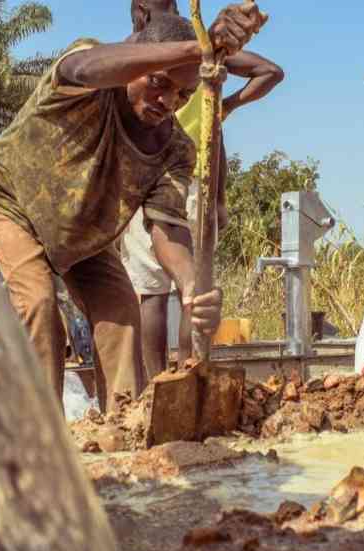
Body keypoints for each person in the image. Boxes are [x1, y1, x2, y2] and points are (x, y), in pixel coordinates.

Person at [0, 4, 267, 412]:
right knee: (38, 305)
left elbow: (168, 229)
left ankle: (122, 430)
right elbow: (84, 67)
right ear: (139, 62)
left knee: (123, 315)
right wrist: (196, 49)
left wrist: (189, 283)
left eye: (183, 94)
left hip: (83, 234)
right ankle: (42, 439)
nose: (168, 101)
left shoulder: (175, 148)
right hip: (12, 204)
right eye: (159, 84)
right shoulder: (92, 73)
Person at [122, 0, 284, 378]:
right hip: (196, 181)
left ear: (142, 9)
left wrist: (222, 107)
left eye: (184, 92)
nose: (174, 98)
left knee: (153, 293)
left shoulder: (139, 51)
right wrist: (223, 106)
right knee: (189, 287)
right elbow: (269, 72)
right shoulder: (206, 49)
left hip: (151, 175)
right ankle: (187, 374)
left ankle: (159, 383)